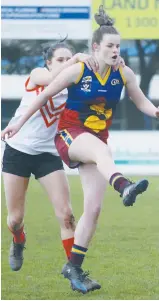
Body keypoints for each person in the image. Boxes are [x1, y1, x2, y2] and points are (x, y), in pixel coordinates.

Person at [3, 5, 157, 294]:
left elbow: (140, 101)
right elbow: (46, 91)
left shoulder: (122, 72)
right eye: (109, 45)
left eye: (118, 46)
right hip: (55, 140)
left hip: (55, 150)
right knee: (15, 218)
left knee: (89, 210)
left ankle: (73, 267)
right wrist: (17, 124)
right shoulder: (61, 71)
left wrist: (156, 111)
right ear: (96, 47)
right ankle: (123, 185)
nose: (115, 50)